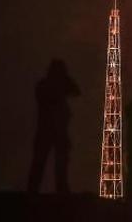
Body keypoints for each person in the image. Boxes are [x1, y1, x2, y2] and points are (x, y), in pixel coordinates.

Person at [27, 59, 80, 193]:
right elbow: (76, 91)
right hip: (56, 130)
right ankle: (60, 190)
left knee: (40, 162)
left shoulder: (42, 85)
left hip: (46, 130)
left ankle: (33, 190)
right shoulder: (53, 86)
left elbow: (76, 91)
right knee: (58, 163)